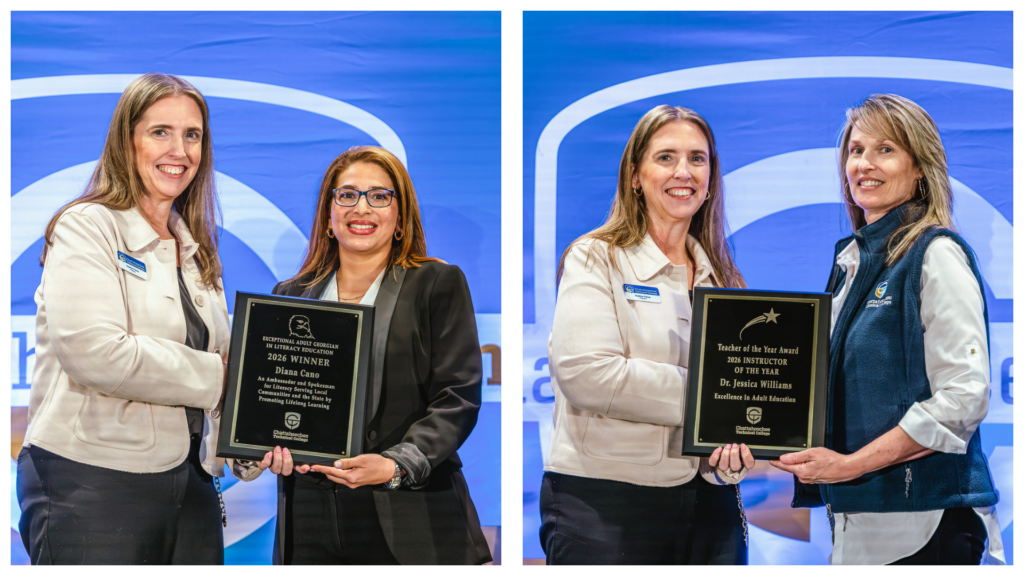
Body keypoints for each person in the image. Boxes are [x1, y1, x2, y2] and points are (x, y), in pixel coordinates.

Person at [771, 94, 1004, 565]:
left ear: (920, 168)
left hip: (926, 523)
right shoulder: (852, 263)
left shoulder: (936, 254)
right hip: (860, 522)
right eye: (856, 151)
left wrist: (848, 466)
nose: (864, 164)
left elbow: (963, 398)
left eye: (885, 149)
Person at [233, 146, 491, 565]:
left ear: (400, 214)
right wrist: (263, 448)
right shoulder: (290, 296)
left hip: (411, 516)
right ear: (329, 215)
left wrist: (395, 465)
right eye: (347, 195)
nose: (362, 208)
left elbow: (458, 396)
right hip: (310, 517)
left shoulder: (435, 283)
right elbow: (271, 402)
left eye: (379, 196)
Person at [17, 73, 232, 564]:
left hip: (192, 487)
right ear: (126, 139)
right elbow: (96, 353)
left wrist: (254, 441)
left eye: (192, 135)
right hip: (91, 483)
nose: (179, 149)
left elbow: (225, 363)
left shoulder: (197, 250)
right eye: (161, 131)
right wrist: (225, 379)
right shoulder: (86, 226)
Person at [541, 105, 756, 565]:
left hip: (708, 510)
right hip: (604, 505)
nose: (684, 172)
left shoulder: (725, 280)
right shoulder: (595, 257)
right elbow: (587, 373)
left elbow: (735, 410)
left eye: (698, 159)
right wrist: (715, 399)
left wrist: (729, 457)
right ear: (635, 175)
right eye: (666, 157)